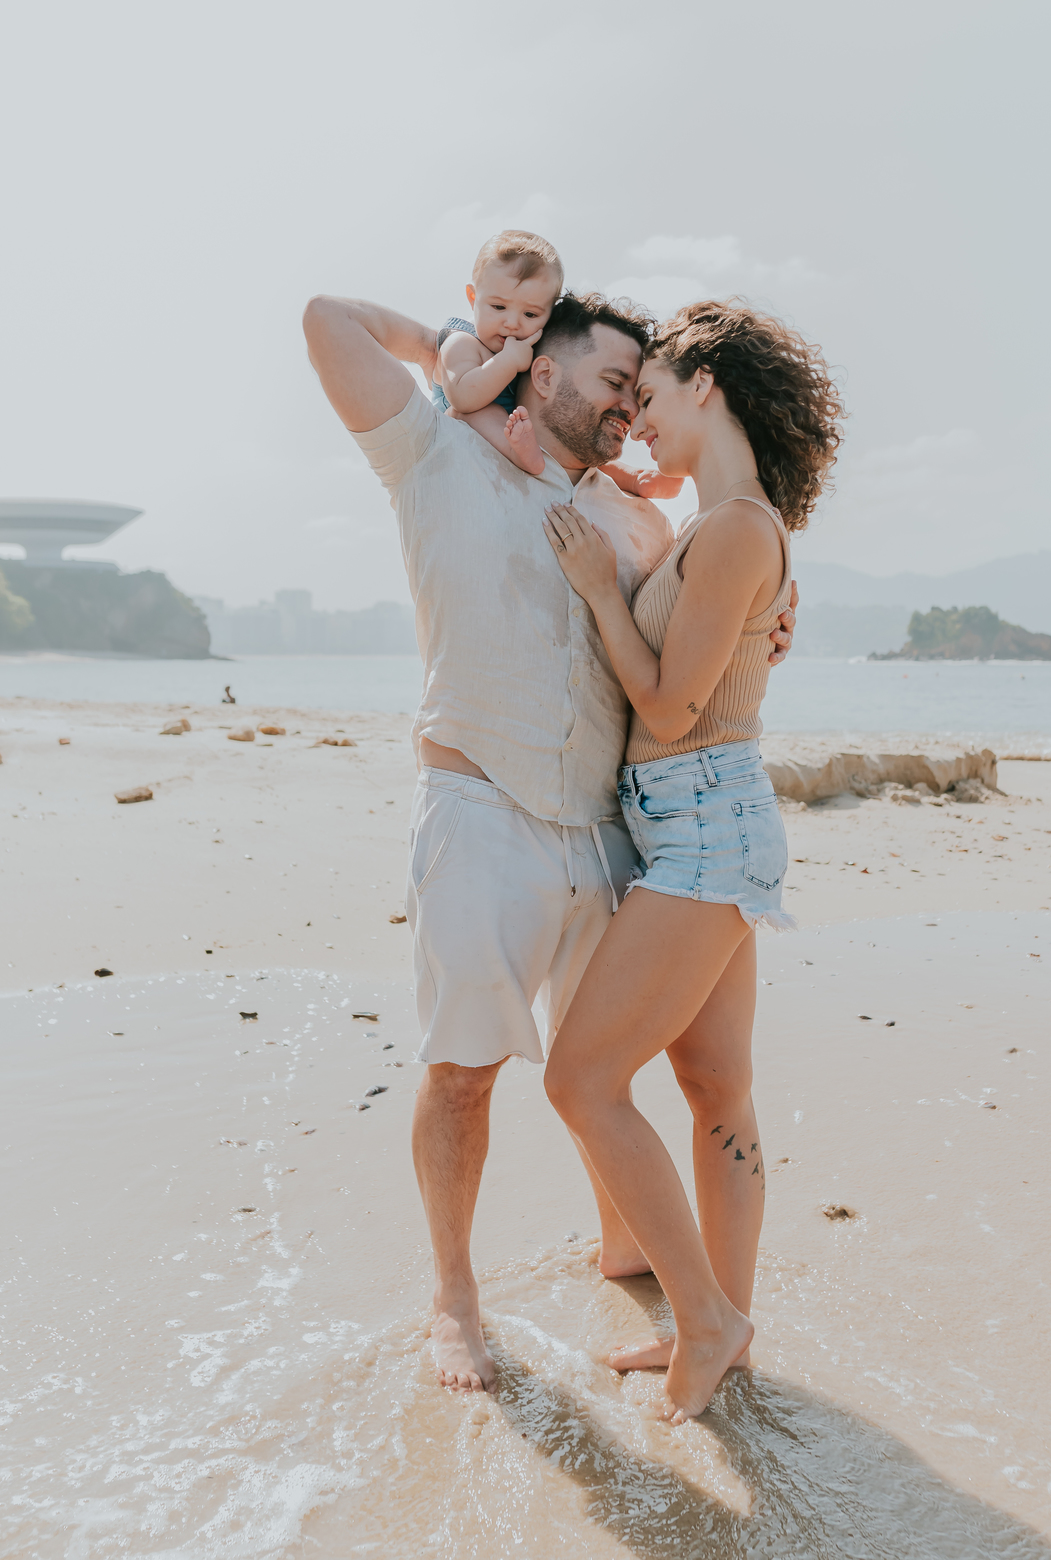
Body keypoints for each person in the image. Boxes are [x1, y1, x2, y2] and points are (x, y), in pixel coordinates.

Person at [302, 284, 800, 1396]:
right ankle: (454, 1301)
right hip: (482, 818)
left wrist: (769, 625)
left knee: (625, 1071)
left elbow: (696, 656)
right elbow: (325, 320)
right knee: (468, 1074)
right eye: (614, 382)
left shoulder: (638, 515)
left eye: (643, 386)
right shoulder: (434, 453)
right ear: (543, 364)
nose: (630, 408)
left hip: (620, 834)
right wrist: (456, 345)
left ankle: (636, 1257)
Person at [541, 298, 843, 1422]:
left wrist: (598, 592)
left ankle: (706, 1321)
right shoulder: (727, 523)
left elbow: (667, 709)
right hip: (703, 819)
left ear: (705, 385)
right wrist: (627, 510)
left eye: (652, 398)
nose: (637, 423)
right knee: (716, 1084)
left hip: (705, 821)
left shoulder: (736, 529)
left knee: (580, 1079)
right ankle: (729, 1328)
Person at [435, 227, 682, 497]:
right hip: (467, 414)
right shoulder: (463, 341)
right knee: (482, 413)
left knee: (577, 441)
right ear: (473, 298)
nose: (512, 323)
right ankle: (519, 455)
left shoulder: (526, 350)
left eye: (530, 314)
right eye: (498, 307)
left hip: (519, 432)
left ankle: (634, 478)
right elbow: (463, 398)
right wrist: (507, 361)